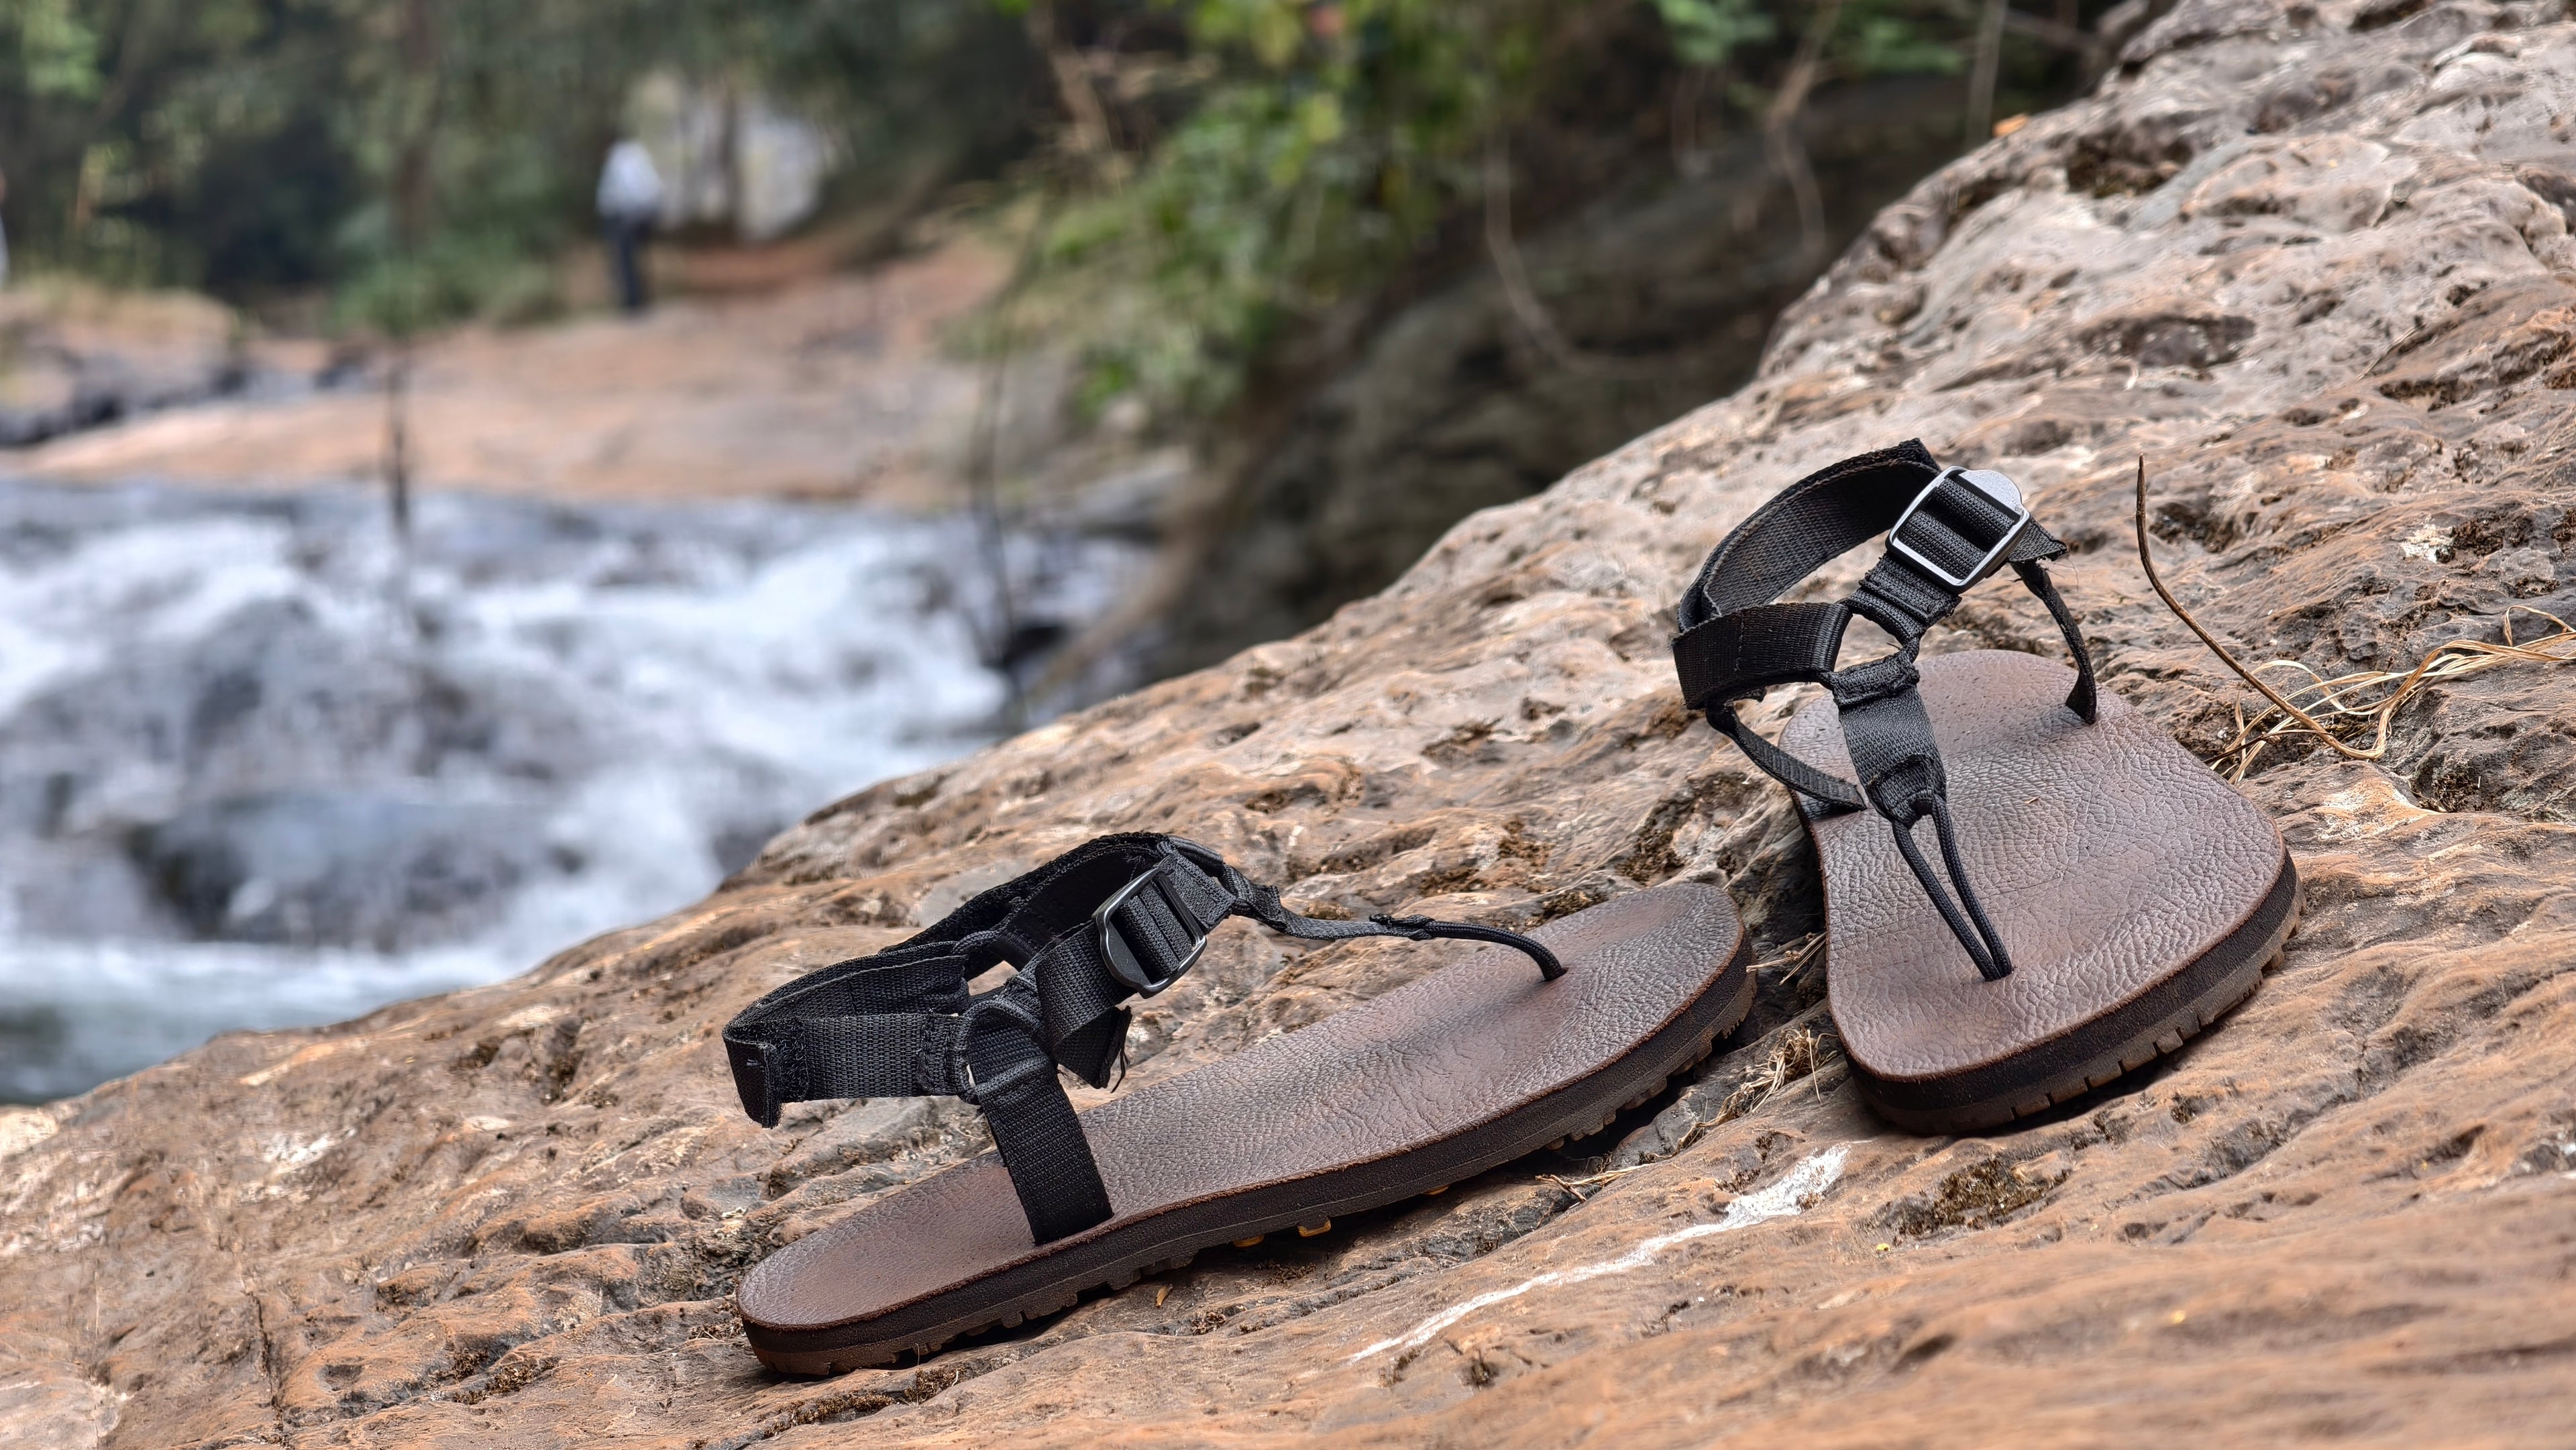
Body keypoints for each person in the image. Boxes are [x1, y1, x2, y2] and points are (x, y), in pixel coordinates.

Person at [596, 140, 663, 315]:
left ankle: (633, 302)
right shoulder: (638, 156)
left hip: (625, 217)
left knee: (626, 261)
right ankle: (641, 299)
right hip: (641, 215)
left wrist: (629, 214)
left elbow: (625, 189)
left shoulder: (619, 160)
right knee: (638, 259)